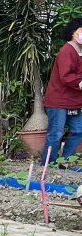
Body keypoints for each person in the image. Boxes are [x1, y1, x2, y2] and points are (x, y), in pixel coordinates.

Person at [42, 18, 82, 167]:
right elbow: (66, 76)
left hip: (74, 101)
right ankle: (48, 166)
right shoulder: (67, 50)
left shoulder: (79, 50)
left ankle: (63, 163)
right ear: (73, 33)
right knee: (55, 135)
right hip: (59, 101)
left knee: (79, 130)